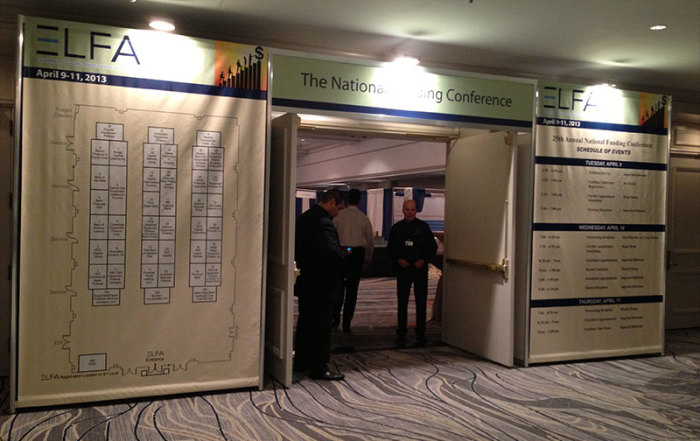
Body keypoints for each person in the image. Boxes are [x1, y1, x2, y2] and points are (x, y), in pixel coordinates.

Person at [293, 188, 348, 381]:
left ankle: (302, 360)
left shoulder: (305, 217)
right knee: (322, 326)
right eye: (338, 208)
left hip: (305, 281)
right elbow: (332, 253)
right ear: (331, 202)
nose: (338, 212)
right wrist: (345, 255)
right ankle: (319, 367)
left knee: (306, 322)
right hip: (321, 283)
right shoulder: (324, 222)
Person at [387, 199, 437, 347]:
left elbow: (432, 247)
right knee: (402, 302)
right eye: (407, 210)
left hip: (420, 270)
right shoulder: (396, 228)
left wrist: (424, 260)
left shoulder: (423, 227)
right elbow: (390, 249)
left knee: (421, 301)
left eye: (412, 210)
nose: (410, 212)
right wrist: (398, 260)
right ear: (403, 210)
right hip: (403, 270)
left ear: (416, 211)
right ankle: (401, 331)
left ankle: (421, 331)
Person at [332, 189, 374, 332]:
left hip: (342, 252)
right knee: (352, 290)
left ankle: (335, 318)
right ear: (359, 200)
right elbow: (370, 242)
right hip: (356, 254)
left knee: (338, 287)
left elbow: (332, 236)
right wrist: (367, 258)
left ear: (347, 199)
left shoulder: (338, 216)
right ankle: (346, 323)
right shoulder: (364, 218)